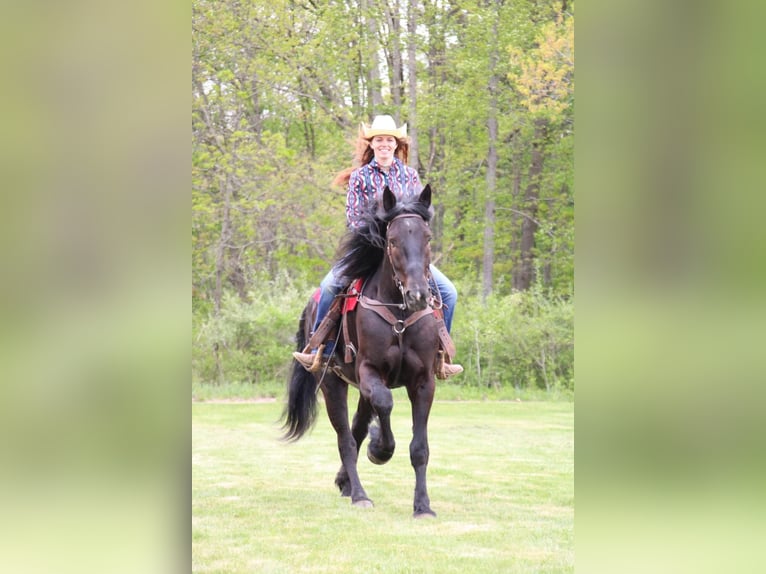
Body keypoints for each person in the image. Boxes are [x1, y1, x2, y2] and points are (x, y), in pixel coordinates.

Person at [293, 115, 462, 379]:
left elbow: (419, 215)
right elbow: (353, 218)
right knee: (329, 287)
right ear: (371, 144)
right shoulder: (360, 177)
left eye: (389, 140)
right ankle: (321, 349)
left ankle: (440, 355)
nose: (384, 144)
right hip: (368, 249)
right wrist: (380, 237)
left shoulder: (410, 175)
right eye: (379, 140)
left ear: (397, 145)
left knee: (449, 292)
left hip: (406, 254)